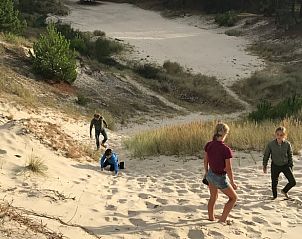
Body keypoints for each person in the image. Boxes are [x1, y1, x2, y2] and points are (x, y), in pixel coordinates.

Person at [204, 122, 238, 224]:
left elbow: (205, 161)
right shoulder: (226, 149)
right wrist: (232, 182)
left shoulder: (209, 145)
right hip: (220, 177)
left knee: (213, 197)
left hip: (210, 174)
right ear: (224, 134)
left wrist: (206, 173)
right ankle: (222, 220)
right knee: (233, 198)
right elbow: (228, 168)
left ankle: (211, 217)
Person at [263, 126, 296, 199]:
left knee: (293, 182)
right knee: (274, 183)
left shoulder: (287, 144)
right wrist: (264, 166)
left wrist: (291, 166)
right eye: (277, 134)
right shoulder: (270, 144)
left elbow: (290, 155)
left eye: (281, 135)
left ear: (284, 135)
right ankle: (274, 197)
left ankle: (284, 191)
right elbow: (266, 155)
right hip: (275, 165)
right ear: (275, 134)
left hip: (285, 165)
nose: (279, 136)